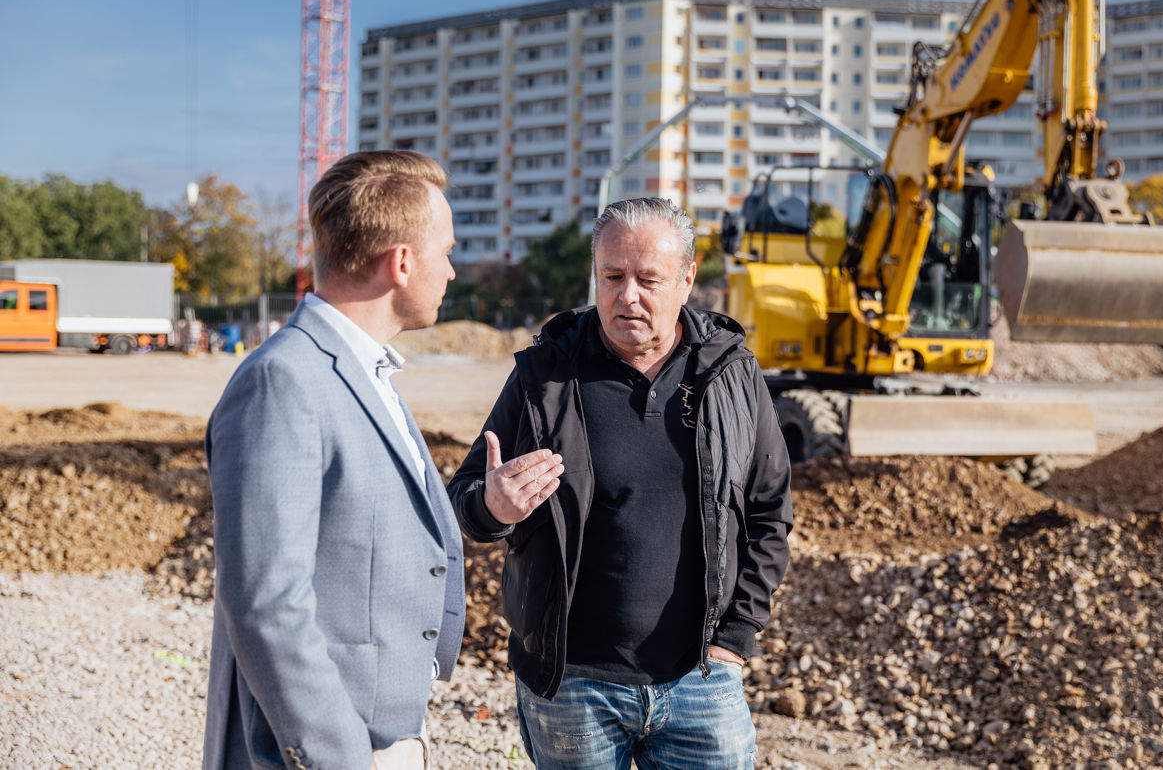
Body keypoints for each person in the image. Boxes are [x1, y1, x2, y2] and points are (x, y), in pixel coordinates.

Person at [449, 197, 793, 768]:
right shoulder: (546, 376)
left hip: (700, 682)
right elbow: (463, 502)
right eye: (612, 276)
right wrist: (492, 505)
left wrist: (734, 639)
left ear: (686, 282)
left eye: (647, 279)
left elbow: (769, 512)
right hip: (572, 686)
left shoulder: (730, 373)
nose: (626, 295)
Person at [202, 150, 465, 770]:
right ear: (402, 262)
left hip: (381, 732)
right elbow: (266, 602)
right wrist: (340, 756)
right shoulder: (283, 382)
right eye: (445, 250)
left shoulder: (365, 370)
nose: (452, 271)